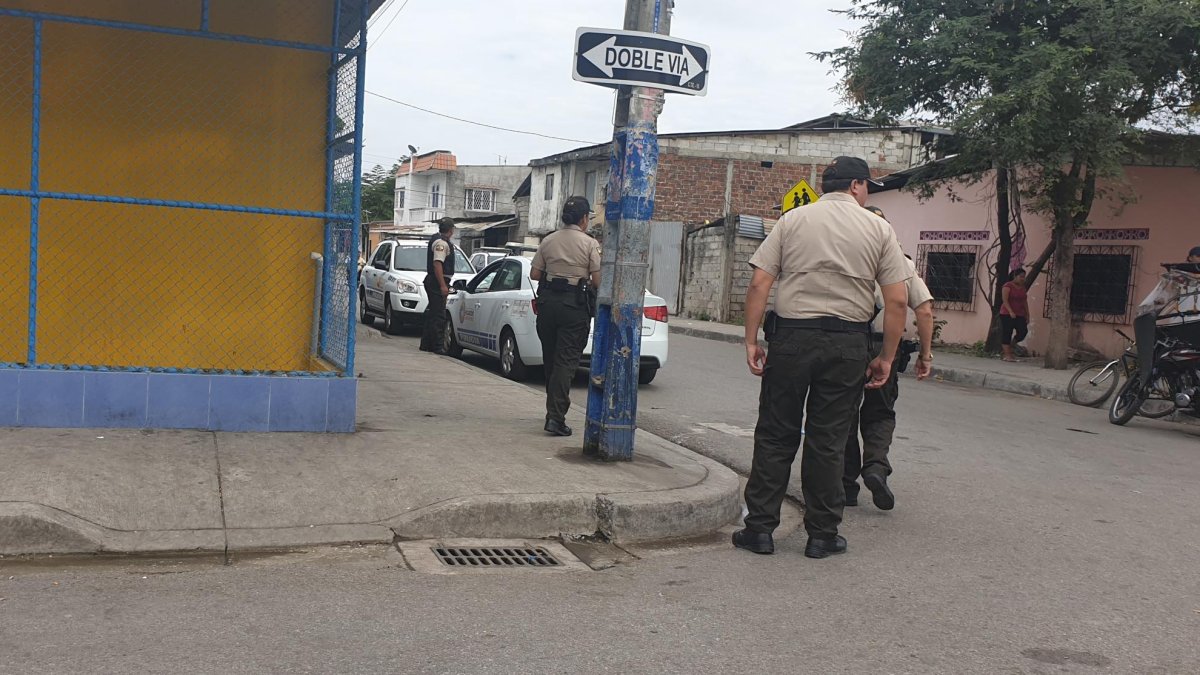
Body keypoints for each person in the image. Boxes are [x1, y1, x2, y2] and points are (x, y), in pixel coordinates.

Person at [733, 156, 912, 560]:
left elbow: (760, 281)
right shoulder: (879, 228)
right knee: (829, 439)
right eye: (868, 186)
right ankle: (822, 534)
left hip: (792, 340)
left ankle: (759, 529)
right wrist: (886, 355)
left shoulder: (793, 220)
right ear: (856, 186)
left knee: (776, 433)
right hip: (848, 345)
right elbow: (897, 299)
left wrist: (750, 341)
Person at [843, 205, 935, 511]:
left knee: (843, 412)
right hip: (887, 348)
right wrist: (925, 353)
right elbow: (923, 310)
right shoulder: (902, 263)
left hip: (849, 343)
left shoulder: (848, 260)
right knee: (880, 412)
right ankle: (875, 468)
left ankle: (846, 485)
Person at [530, 196, 601, 437]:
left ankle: (553, 410)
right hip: (574, 306)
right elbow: (598, 280)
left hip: (548, 303)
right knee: (566, 362)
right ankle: (555, 417)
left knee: (551, 360)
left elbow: (535, 273)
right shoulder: (590, 243)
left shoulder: (548, 240)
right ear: (584, 218)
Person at [419, 218, 456, 354]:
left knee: (432, 314)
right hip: (436, 282)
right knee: (439, 315)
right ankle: (437, 346)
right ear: (451, 230)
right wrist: (442, 285)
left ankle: (426, 344)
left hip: (434, 281)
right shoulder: (441, 243)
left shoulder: (438, 239)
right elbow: (437, 264)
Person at [1000, 268, 1029, 362]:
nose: (1022, 279)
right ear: (1015, 276)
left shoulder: (1023, 288)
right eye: (1021, 277)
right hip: (1007, 313)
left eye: (1024, 277)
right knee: (1007, 333)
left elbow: (1024, 301)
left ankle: (1012, 345)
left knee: (1023, 331)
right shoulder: (1007, 286)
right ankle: (1007, 355)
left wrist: (1027, 314)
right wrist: (1010, 311)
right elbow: (1005, 300)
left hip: (1019, 313)